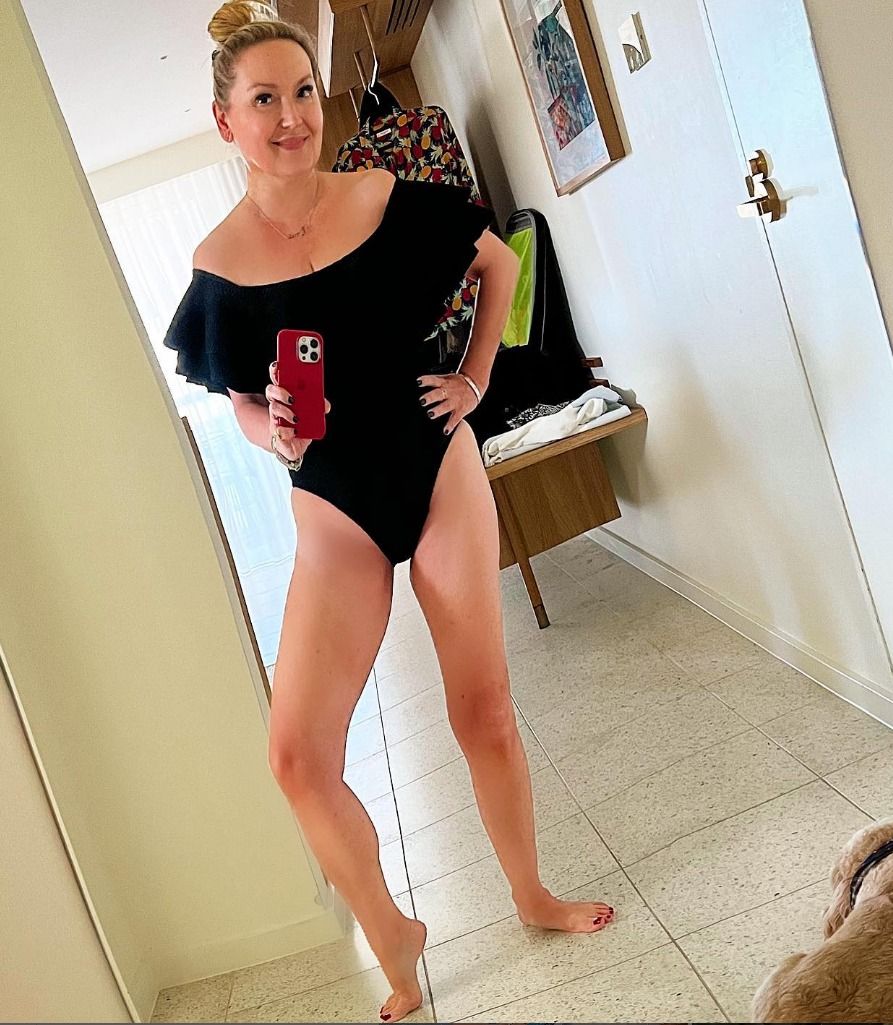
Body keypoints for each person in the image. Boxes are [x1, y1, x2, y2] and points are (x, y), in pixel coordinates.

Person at [163, 2, 614, 1020]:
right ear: (225, 121)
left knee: (481, 707)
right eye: (263, 99)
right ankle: (391, 933)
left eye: (300, 93)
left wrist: (474, 376)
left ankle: (530, 893)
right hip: (333, 499)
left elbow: (498, 261)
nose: (290, 116)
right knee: (295, 757)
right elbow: (237, 399)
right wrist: (271, 429)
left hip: (432, 456)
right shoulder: (217, 265)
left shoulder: (380, 193)